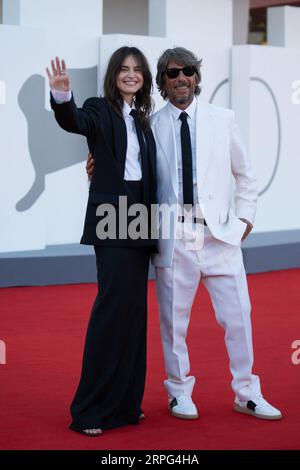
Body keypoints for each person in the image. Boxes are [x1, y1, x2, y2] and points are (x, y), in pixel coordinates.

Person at [87, 47, 282, 421]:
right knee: (174, 323)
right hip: (175, 238)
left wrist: (245, 221)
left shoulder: (223, 119)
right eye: (173, 73)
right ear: (161, 81)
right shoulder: (149, 125)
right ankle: (179, 391)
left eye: (189, 71)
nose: (182, 78)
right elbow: (124, 158)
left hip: (220, 236)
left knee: (239, 315)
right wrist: (99, 163)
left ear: (197, 77)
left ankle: (247, 391)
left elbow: (246, 175)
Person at [47, 47, 157, 436]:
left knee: (134, 313)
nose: (130, 75)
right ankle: (89, 409)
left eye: (137, 70)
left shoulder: (144, 120)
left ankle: (126, 403)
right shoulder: (98, 107)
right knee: (112, 309)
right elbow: (75, 121)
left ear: (144, 77)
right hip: (112, 216)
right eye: (124, 70)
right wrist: (62, 97)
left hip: (142, 216)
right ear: (113, 75)